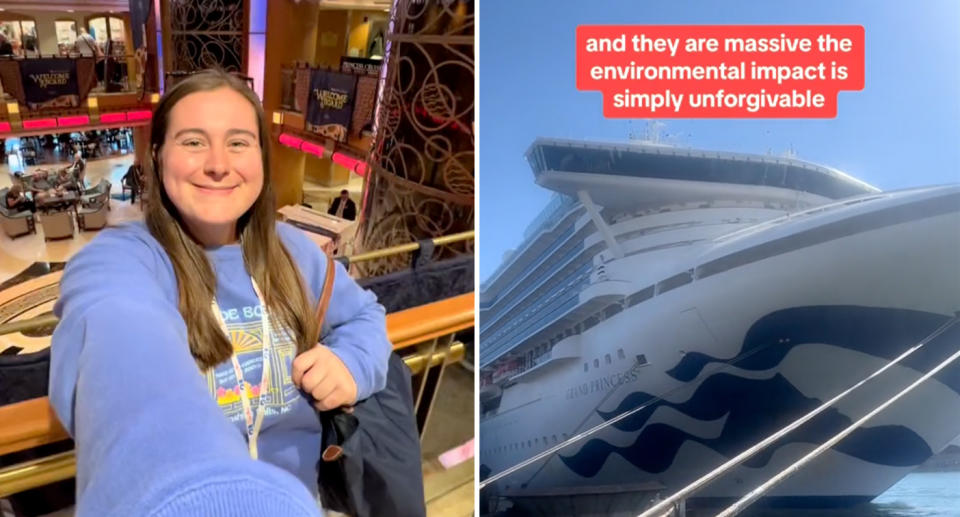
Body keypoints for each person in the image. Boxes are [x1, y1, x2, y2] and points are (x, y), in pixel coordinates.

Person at [50, 69, 391, 513]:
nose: (217, 163)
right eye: (193, 142)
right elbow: (117, 338)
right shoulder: (122, 260)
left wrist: (350, 363)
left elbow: (366, 317)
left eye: (238, 142)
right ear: (157, 156)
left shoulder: (291, 251)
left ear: (262, 160)